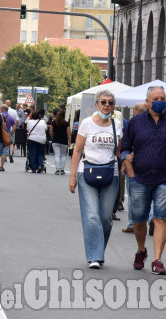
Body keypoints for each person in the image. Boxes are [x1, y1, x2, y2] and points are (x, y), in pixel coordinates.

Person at [121, 86, 166, 275]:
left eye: (163, 98)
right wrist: (130, 168)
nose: (160, 101)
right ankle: (141, 250)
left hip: (165, 178)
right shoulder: (135, 123)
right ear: (148, 101)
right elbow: (125, 148)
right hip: (140, 177)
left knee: (160, 219)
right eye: (156, 98)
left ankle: (157, 260)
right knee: (140, 220)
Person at [68, 90, 122, 269]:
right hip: (87, 172)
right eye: (103, 102)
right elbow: (77, 150)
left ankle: (98, 250)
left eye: (110, 102)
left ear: (114, 107)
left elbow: (120, 152)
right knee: (92, 216)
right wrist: (72, 176)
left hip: (110, 173)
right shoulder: (87, 123)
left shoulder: (117, 125)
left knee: (106, 217)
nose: (107, 105)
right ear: (96, 105)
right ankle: (94, 256)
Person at [122, 102, 149, 233]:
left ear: (137, 111)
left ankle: (132, 223)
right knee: (151, 195)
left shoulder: (132, 124)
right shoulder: (154, 124)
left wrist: (125, 163)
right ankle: (153, 218)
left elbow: (126, 147)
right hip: (150, 165)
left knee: (133, 195)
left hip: (133, 165)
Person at [50, 109, 71, 175]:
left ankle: (57, 169)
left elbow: (50, 131)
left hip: (55, 140)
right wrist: (70, 141)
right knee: (63, 155)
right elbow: (69, 133)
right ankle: (62, 169)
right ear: (64, 116)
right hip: (64, 140)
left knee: (57, 155)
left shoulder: (53, 122)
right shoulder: (66, 123)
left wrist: (52, 137)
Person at [0, 105, 16, 173]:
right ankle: (1, 166)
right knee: (5, 151)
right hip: (6, 136)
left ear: (2, 109)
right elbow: (14, 127)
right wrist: (10, 134)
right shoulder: (11, 117)